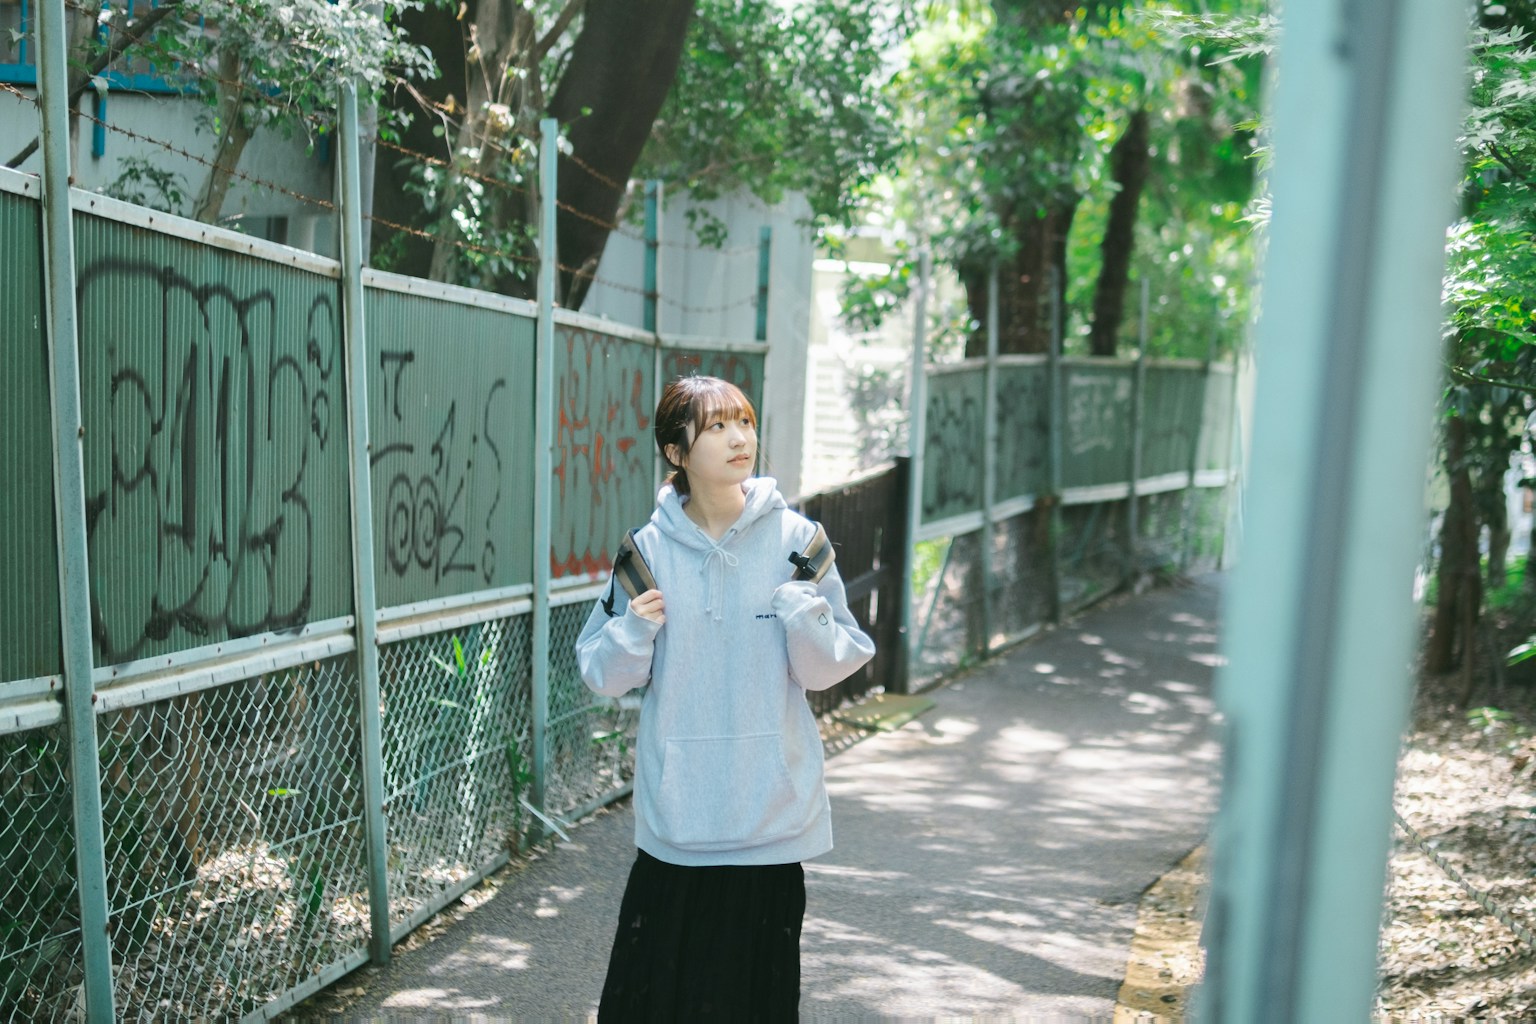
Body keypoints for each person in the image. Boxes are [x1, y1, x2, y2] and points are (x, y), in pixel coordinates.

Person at [575, 374, 876, 1022]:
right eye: (716, 427)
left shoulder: (800, 542)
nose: (740, 437)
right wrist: (635, 630)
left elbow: (833, 666)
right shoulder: (646, 554)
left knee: (756, 1006)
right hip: (679, 824)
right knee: (652, 1002)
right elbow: (602, 673)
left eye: (743, 421)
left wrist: (807, 618)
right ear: (676, 453)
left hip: (769, 822)